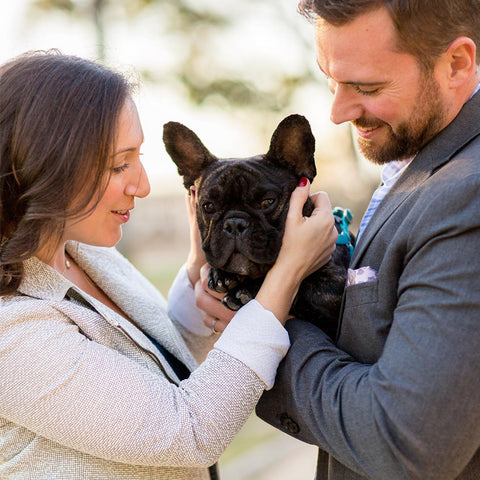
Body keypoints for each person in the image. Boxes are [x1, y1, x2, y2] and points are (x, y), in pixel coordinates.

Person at [0, 50, 338, 479]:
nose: (141, 185)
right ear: (39, 163)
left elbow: (155, 365)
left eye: (140, 159)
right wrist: (287, 274)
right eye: (119, 164)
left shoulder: (86, 253)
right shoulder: (9, 327)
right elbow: (187, 431)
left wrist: (200, 264)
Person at [197, 1, 480, 479]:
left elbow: (404, 443)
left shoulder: (465, 193)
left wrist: (266, 321)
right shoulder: (418, 159)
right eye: (331, 80)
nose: (336, 112)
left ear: (456, 64)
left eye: (366, 87)